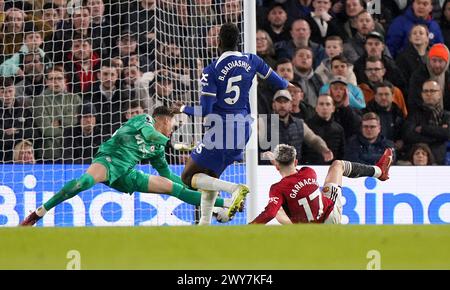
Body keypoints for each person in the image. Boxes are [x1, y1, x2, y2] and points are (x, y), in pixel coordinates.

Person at [20, 106, 239, 226]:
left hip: (128, 173)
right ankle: (38, 213)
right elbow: (149, 134)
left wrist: (187, 184)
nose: (173, 129)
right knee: (84, 182)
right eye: (173, 125)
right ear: (163, 119)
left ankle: (227, 202)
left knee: (177, 189)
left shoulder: (158, 150)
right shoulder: (145, 120)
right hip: (109, 160)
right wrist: (171, 142)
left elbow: (166, 174)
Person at [171, 23, 292, 225]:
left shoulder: (212, 69)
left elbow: (207, 111)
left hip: (221, 128)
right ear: (239, 42)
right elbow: (280, 83)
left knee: (187, 176)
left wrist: (183, 109)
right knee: (210, 176)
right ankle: (204, 223)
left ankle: (233, 191)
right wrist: (289, 85)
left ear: (218, 41)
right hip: (244, 129)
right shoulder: (252, 60)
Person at [249, 144, 393, 224]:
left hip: (310, 229)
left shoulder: (277, 188)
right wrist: (277, 160)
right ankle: (379, 171)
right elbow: (293, 177)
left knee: (278, 209)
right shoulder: (308, 171)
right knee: (338, 165)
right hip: (331, 215)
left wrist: (250, 228)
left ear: (276, 166)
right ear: (296, 162)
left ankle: (299, 234)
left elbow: (269, 213)